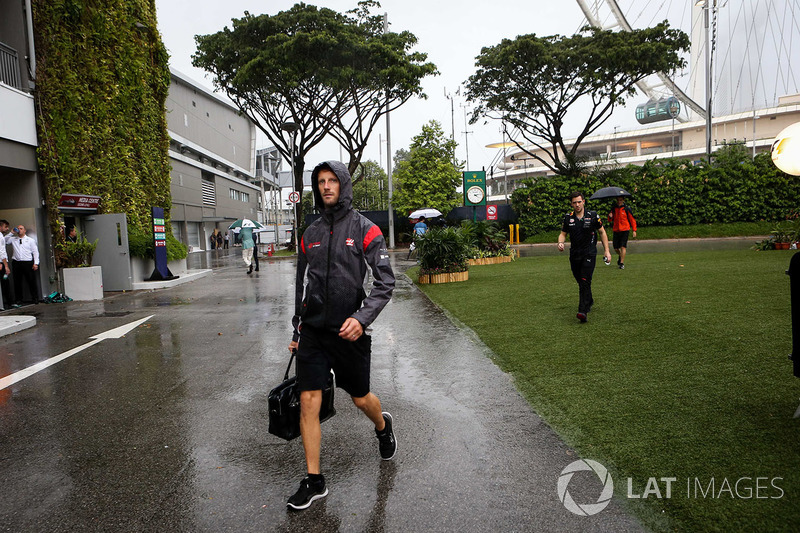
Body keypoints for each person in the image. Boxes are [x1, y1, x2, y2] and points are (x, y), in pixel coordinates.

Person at [286, 160, 396, 511]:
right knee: (309, 401)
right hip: (314, 332)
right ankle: (314, 480)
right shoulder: (310, 233)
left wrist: (362, 319)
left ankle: (382, 425)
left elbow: (385, 283)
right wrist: (297, 328)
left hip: (350, 333)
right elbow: (302, 285)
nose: (326, 186)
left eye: (333, 180)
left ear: (343, 185)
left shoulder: (365, 229)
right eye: (321, 181)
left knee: (361, 399)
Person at [557, 192, 611, 323]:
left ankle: (583, 311)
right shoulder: (568, 218)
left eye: (579, 202)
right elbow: (563, 234)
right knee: (581, 281)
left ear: (584, 202)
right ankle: (589, 300)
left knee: (584, 280)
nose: (577, 205)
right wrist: (560, 242)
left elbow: (602, 232)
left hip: (589, 253)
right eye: (574, 202)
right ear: (571, 204)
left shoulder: (592, 216)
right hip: (575, 254)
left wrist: (607, 251)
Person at [5, 225, 40, 306]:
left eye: (21, 229)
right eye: (18, 229)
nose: (19, 230)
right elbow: (4, 240)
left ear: (24, 231)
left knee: (31, 281)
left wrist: (36, 263)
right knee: (17, 282)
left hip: (27, 262)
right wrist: (11, 232)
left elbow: (35, 252)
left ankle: (35, 298)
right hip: (17, 262)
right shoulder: (13, 239)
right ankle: (19, 299)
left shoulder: (30, 240)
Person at [608, 196, 637, 270]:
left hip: (625, 229)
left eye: (620, 200)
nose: (619, 202)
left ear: (623, 200)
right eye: (618, 200)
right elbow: (610, 220)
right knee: (615, 248)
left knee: (623, 246)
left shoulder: (627, 209)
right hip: (616, 230)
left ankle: (621, 263)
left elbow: (632, 219)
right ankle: (621, 255)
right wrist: (610, 216)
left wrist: (634, 230)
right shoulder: (614, 209)